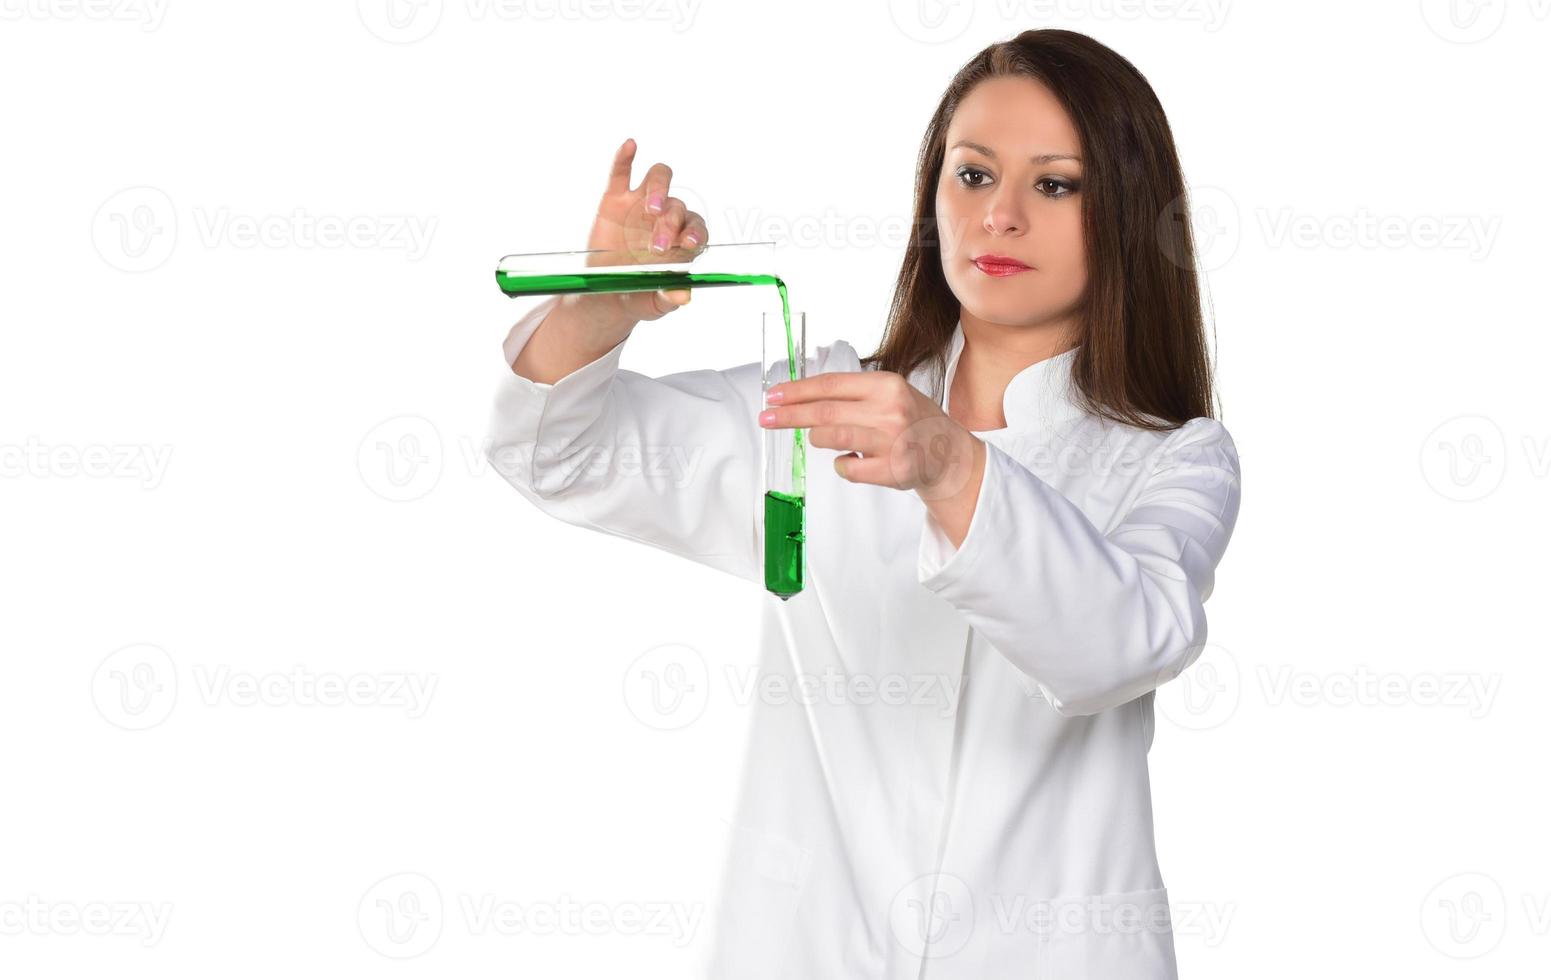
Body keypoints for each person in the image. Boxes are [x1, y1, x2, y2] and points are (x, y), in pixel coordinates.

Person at [483, 28, 1242, 980]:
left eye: (1054, 184)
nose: (998, 216)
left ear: (1125, 213)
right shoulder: (823, 403)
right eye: (971, 175)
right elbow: (556, 453)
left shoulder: (1173, 459)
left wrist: (952, 468)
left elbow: (1115, 649)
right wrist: (599, 307)